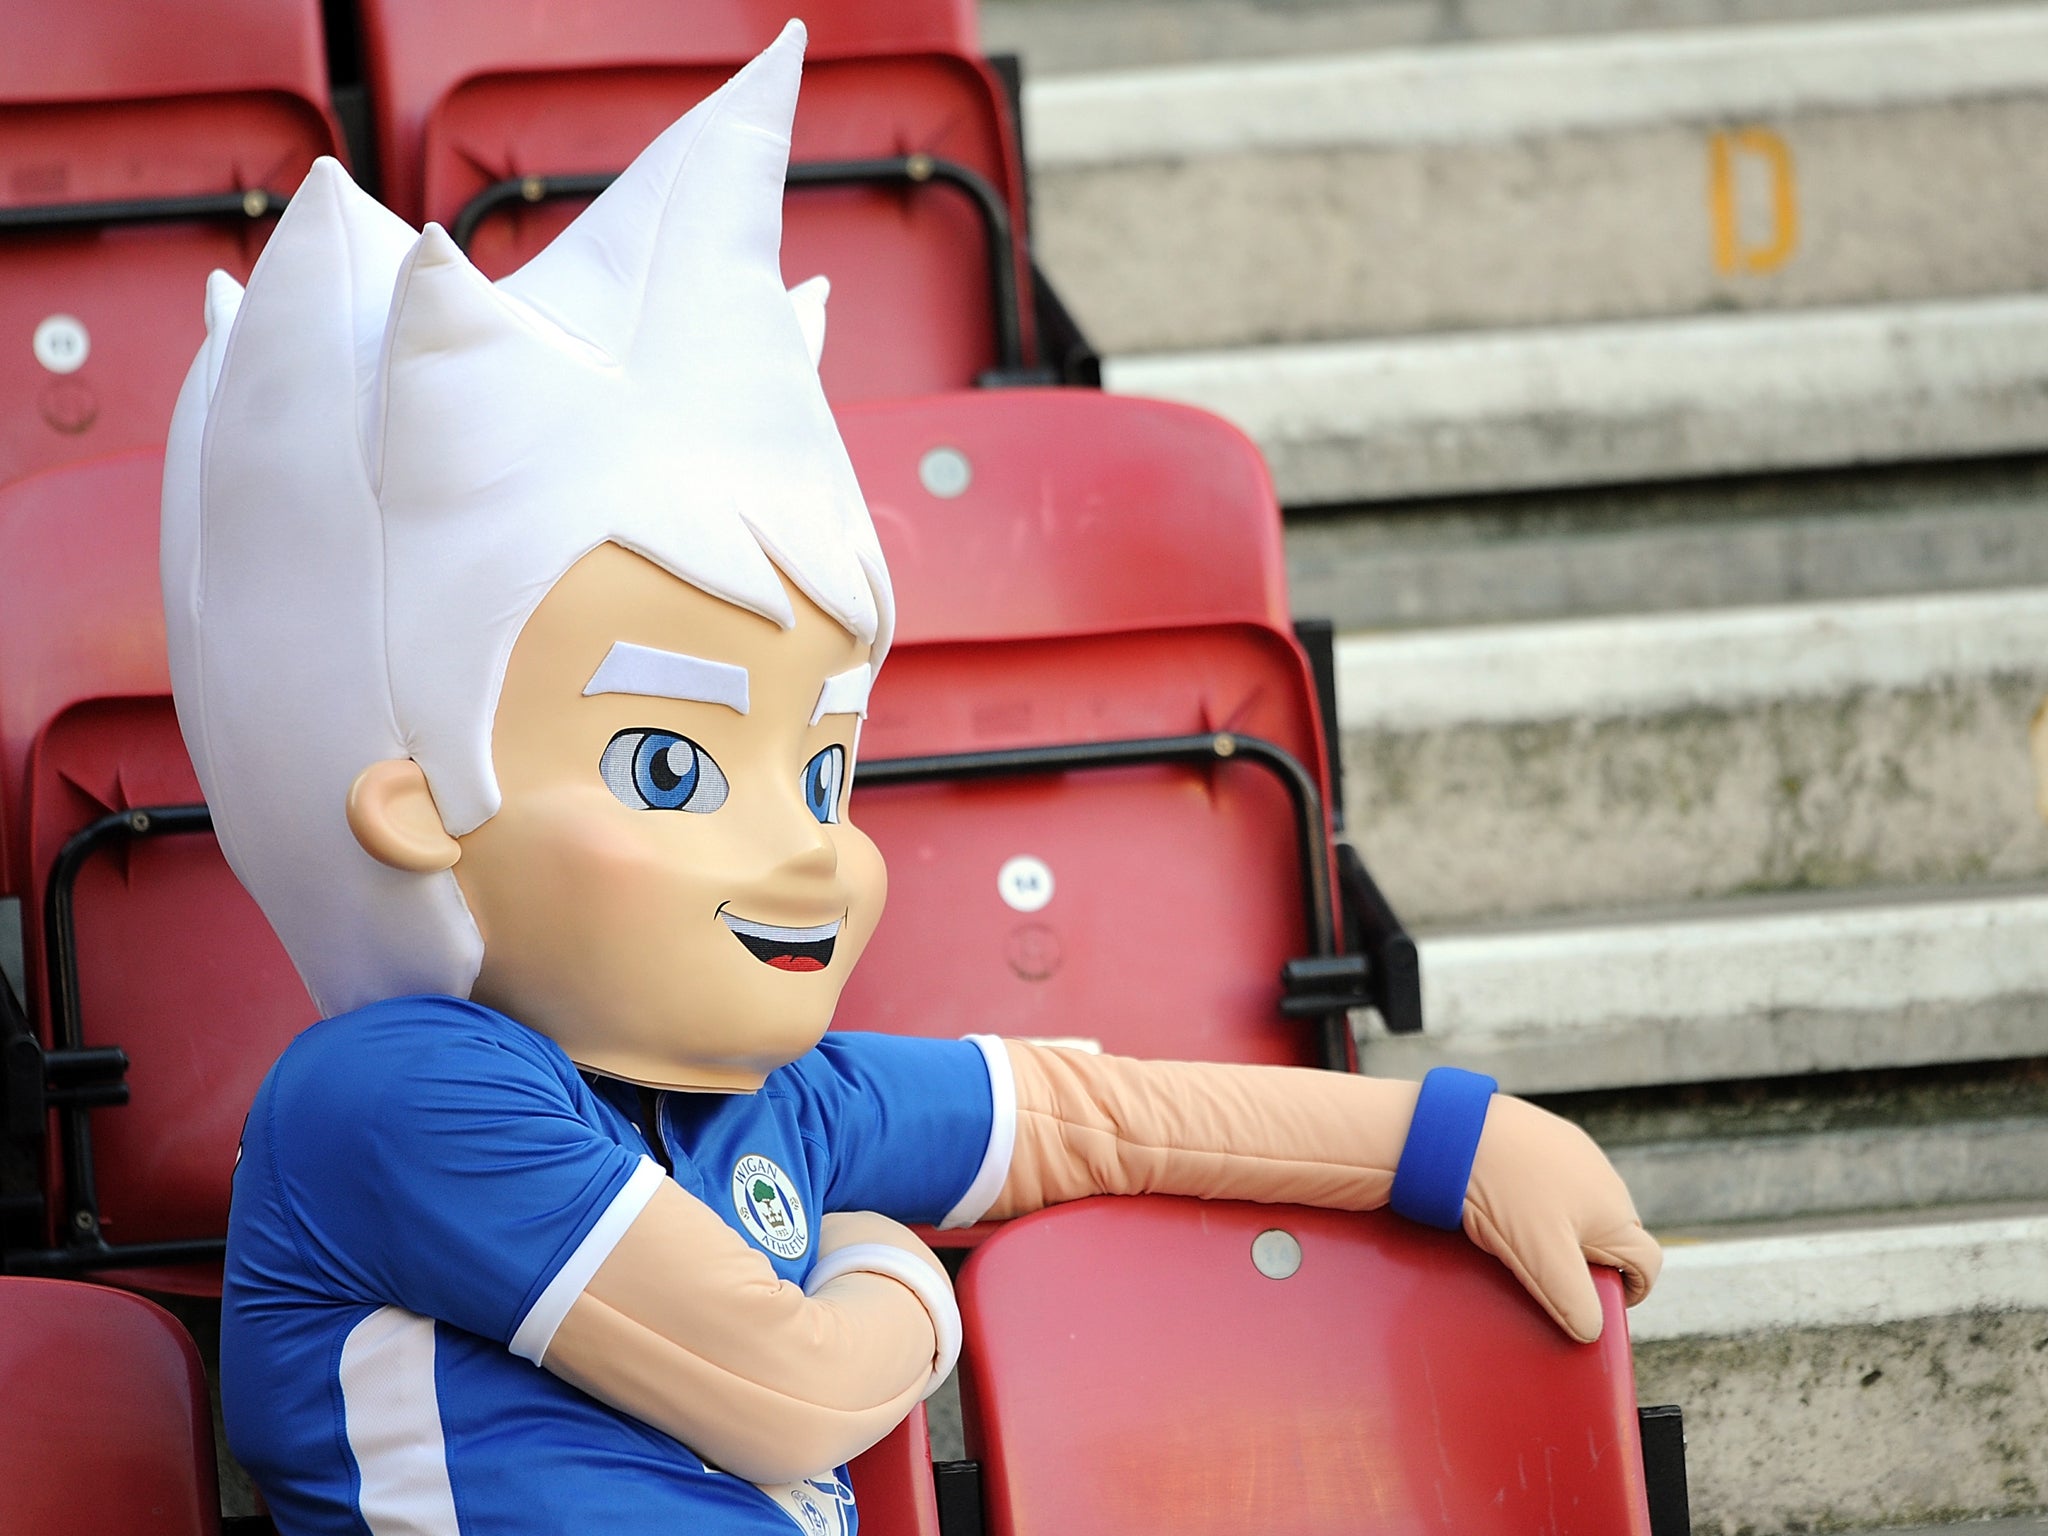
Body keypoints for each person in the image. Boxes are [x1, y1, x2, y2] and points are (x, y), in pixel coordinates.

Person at [162, 24, 1658, 1536]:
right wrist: (897, 1274)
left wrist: (1456, 1145)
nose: (813, 853)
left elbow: (1092, 1114)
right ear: (414, 802)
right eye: (670, 766)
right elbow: (784, 1390)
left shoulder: (779, 1100)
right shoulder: (397, 1087)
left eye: (821, 772)